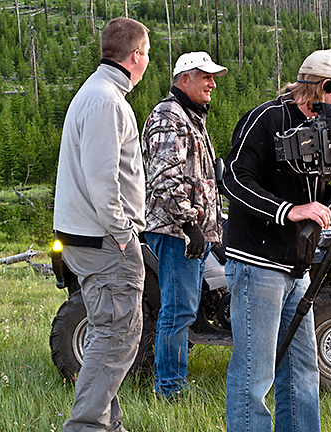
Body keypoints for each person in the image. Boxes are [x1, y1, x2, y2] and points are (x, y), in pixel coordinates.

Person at [222, 49, 331, 432]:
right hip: (257, 263)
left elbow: (325, 191)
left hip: (298, 268)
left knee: (302, 371)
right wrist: (290, 209)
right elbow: (233, 179)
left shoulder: (325, 128)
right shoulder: (267, 119)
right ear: (324, 86)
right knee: (254, 373)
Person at [53, 17, 150, 432]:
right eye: (146, 52)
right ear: (135, 56)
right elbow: (101, 180)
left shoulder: (95, 93)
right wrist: (125, 234)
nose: (147, 60)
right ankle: (88, 426)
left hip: (89, 238)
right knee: (116, 335)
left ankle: (108, 425)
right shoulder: (107, 101)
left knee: (106, 332)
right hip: (106, 242)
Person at [141, 52, 227, 401]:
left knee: (183, 309)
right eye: (205, 76)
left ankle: (171, 383)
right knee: (177, 311)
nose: (212, 83)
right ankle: (170, 389)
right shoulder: (167, 117)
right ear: (184, 79)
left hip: (192, 233)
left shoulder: (190, 117)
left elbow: (197, 178)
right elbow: (164, 179)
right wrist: (190, 224)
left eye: (213, 77)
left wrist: (212, 227)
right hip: (175, 233)